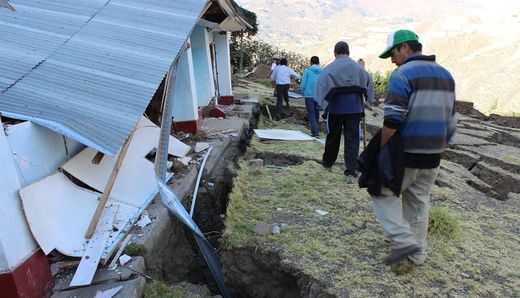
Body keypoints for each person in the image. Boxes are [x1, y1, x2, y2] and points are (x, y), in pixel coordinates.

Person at [371, 29, 457, 268]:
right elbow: (451, 119)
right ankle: (416, 254)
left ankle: (400, 239)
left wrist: (381, 147)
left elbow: (393, 119)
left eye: (393, 53)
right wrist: (443, 144)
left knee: (384, 195)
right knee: (418, 201)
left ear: (405, 48)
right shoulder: (446, 75)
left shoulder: (402, 74)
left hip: (406, 153)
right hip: (433, 155)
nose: (392, 59)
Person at [314, 41, 369, 183]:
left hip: (336, 109)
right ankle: (350, 172)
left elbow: (320, 89)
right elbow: (369, 86)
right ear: (349, 52)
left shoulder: (329, 68)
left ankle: (327, 164)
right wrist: (367, 101)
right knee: (352, 139)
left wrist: (322, 106)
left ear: (335, 53)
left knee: (333, 137)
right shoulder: (360, 69)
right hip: (355, 109)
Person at [300, 56, 323, 137]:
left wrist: (302, 91)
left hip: (309, 95)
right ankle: (315, 130)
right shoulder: (323, 71)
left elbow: (303, 83)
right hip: (318, 95)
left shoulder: (307, 71)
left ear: (310, 62)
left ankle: (315, 132)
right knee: (316, 113)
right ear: (318, 62)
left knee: (311, 114)